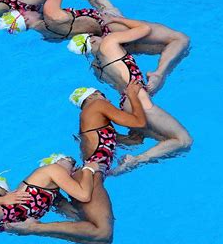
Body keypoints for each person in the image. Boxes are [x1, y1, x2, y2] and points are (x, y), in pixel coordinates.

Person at [0, 0, 190, 94]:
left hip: (107, 46)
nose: (28, 8)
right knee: (179, 39)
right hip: (112, 27)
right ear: (24, 19)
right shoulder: (51, 14)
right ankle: (159, 73)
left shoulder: (46, 34)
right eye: (23, 11)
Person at [6, 82, 147, 244]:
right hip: (91, 175)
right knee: (102, 232)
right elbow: (139, 122)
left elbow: (136, 139)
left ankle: (48, 215)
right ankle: (35, 228)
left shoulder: (100, 127)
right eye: (103, 95)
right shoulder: (96, 105)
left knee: (101, 241)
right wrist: (132, 95)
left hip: (90, 177)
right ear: (93, 95)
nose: (108, 100)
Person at [67, 16, 192, 175]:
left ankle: (134, 159)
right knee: (183, 140)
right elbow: (145, 29)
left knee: (163, 139)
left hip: (126, 104)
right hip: (138, 99)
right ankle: (136, 161)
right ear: (91, 40)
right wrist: (118, 19)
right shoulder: (109, 42)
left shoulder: (97, 68)